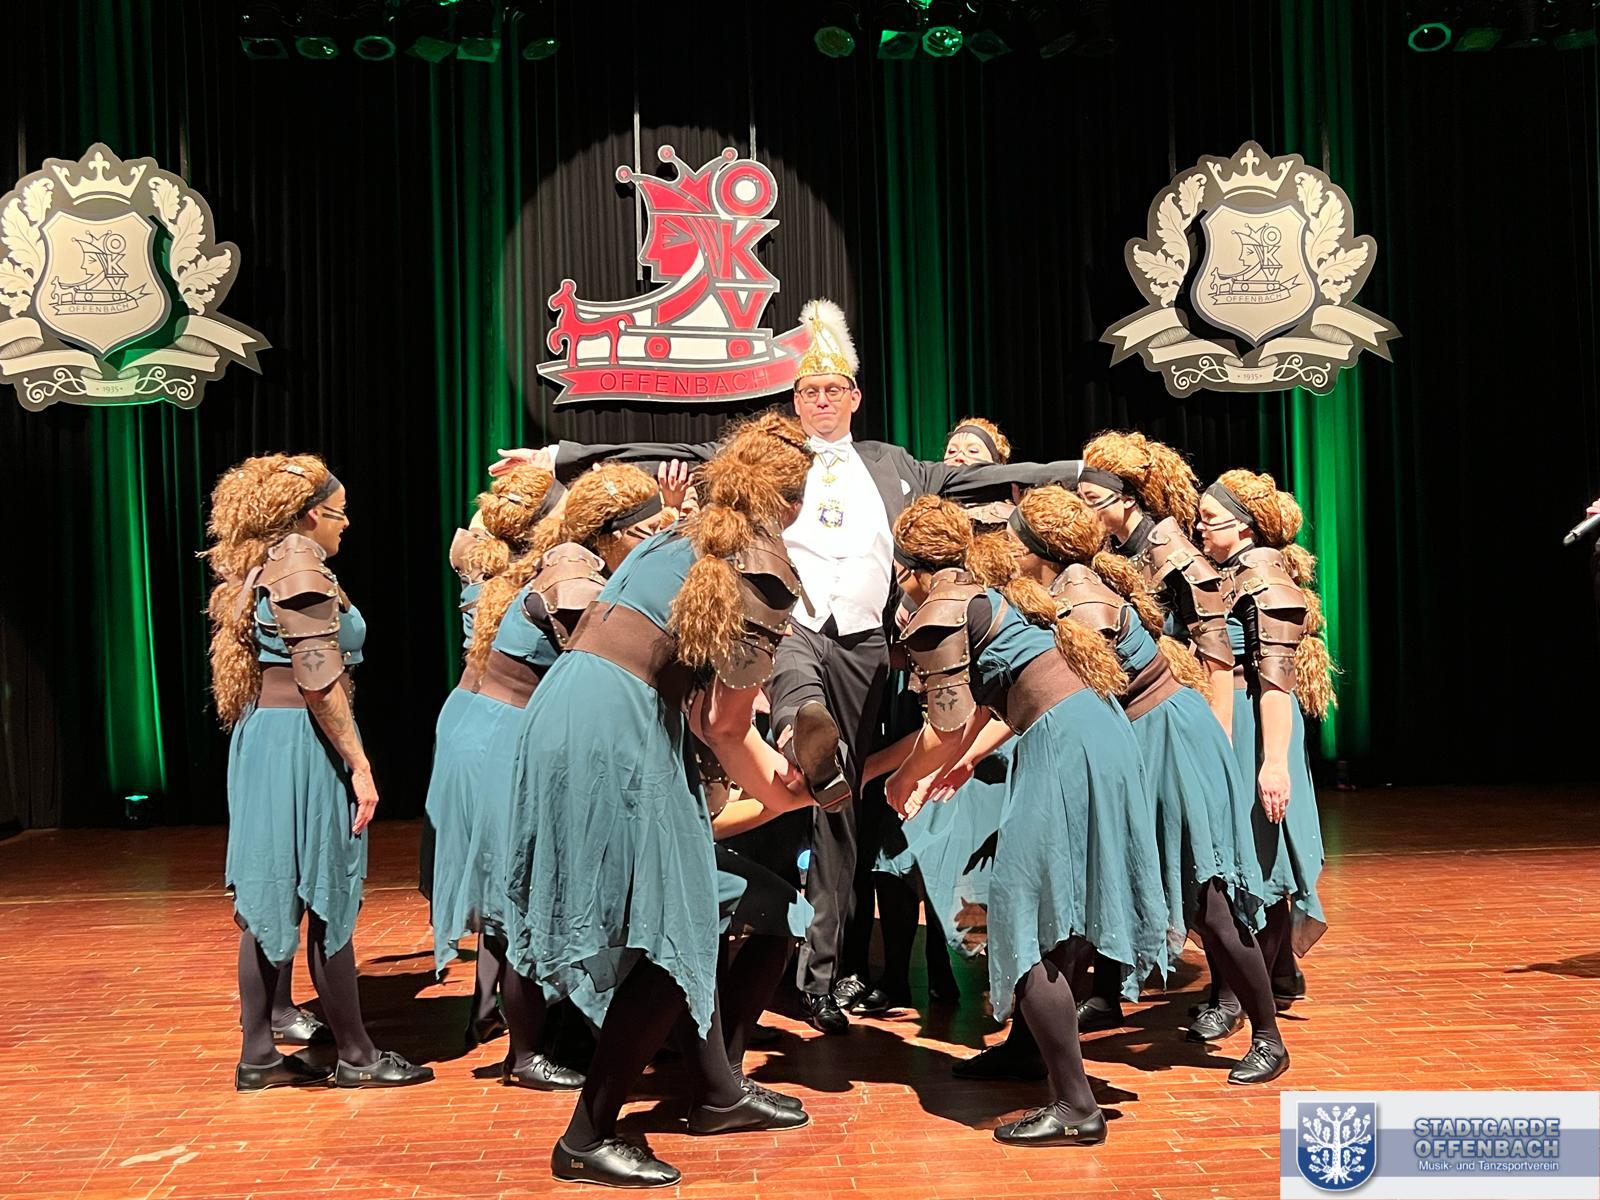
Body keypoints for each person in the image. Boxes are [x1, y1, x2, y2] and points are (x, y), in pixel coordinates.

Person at [495, 301, 1083, 1034]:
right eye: (808, 391)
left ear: (855, 397)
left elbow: (994, 475)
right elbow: (658, 448)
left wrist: (1082, 471)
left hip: (864, 644)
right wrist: (556, 457)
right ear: (795, 400)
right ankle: (800, 732)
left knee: (838, 801)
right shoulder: (774, 463)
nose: (820, 401)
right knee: (807, 720)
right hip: (790, 625)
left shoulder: (898, 466)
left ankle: (823, 971)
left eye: (832, 390)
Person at [500, 414, 818, 1189]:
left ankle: (716, 1091)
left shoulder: (681, 533)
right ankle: (587, 1136)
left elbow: (703, 711)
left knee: (683, 911)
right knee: (679, 925)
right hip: (619, 726)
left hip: (575, 707)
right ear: (794, 501)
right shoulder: (758, 566)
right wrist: (787, 791)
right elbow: (726, 726)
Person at [886, 495, 1165, 1146]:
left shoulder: (944, 608)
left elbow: (946, 722)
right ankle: (1026, 1051)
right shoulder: (985, 592)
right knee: (1054, 906)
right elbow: (997, 698)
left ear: (907, 569)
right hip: (1090, 730)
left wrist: (899, 777)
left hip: (1065, 741)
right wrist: (953, 765)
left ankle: (1076, 1106)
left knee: (1025, 914)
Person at [1006, 486, 1286, 1084]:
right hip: (1134, 738)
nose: (1008, 548)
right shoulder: (1064, 589)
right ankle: (1037, 1040)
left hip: (1167, 739)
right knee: (1086, 891)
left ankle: (1269, 1037)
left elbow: (1058, 691)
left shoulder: (1082, 601)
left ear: (1038, 549)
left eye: (1015, 539)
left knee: (1207, 900)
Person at [205, 454, 432, 1091]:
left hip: (268, 737)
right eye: (338, 511)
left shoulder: (268, 561)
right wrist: (359, 765)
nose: (347, 522)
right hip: (300, 742)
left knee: (271, 891)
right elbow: (319, 682)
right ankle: (356, 1055)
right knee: (326, 892)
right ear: (309, 515)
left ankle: (259, 1055)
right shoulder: (300, 568)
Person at [468, 462, 669, 1090]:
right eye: (648, 532)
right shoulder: (575, 574)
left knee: (536, 884)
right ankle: (526, 1052)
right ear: (613, 533)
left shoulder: (582, 562)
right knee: (531, 889)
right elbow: (593, 659)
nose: (654, 545)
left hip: (519, 729)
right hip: (514, 738)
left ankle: (546, 1033)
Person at [849, 416, 1019, 1014]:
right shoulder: (917, 532)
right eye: (951, 449)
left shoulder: (1009, 537)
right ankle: (900, 975)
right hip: (920, 695)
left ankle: (988, 982)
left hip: (984, 715)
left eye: (973, 449)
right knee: (897, 847)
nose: (959, 456)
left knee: (967, 853)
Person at [424, 462, 562, 1049]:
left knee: (492, 869)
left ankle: (487, 1008)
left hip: (465, 715)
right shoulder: (545, 586)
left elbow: (481, 527)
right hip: (503, 730)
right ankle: (524, 1036)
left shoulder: (479, 564)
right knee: (512, 875)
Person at [1197, 470, 1336, 1015]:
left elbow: (1276, 683)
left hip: (1256, 724)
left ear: (1245, 527)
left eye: (1210, 520)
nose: (1200, 528)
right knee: (1248, 850)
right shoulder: (1230, 571)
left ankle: (1238, 996)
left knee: (1263, 856)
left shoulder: (1264, 579)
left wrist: (1273, 763)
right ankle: (1273, 973)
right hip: (1235, 720)